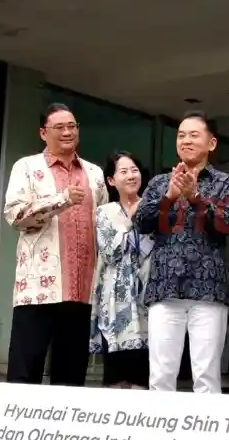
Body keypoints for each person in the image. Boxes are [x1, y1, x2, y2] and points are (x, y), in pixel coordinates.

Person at [135, 110, 229, 394]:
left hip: (208, 291)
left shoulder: (226, 183)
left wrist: (196, 198)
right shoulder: (160, 182)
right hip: (164, 288)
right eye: (181, 135)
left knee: (206, 377)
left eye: (194, 135)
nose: (186, 140)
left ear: (212, 143)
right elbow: (141, 222)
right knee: (160, 376)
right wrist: (169, 197)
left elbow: (227, 223)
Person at [3, 103, 108, 386]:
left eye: (72, 126)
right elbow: (15, 216)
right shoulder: (27, 167)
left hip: (81, 289)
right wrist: (61, 199)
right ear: (43, 132)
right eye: (59, 127)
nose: (67, 132)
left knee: (71, 377)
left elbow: (102, 224)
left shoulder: (94, 173)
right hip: (37, 289)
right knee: (25, 371)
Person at [90, 151, 154, 389]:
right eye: (124, 171)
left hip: (147, 295)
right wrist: (130, 220)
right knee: (115, 376)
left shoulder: (152, 208)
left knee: (143, 372)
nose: (131, 176)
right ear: (111, 180)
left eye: (134, 170)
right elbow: (109, 252)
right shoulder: (104, 212)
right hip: (116, 300)